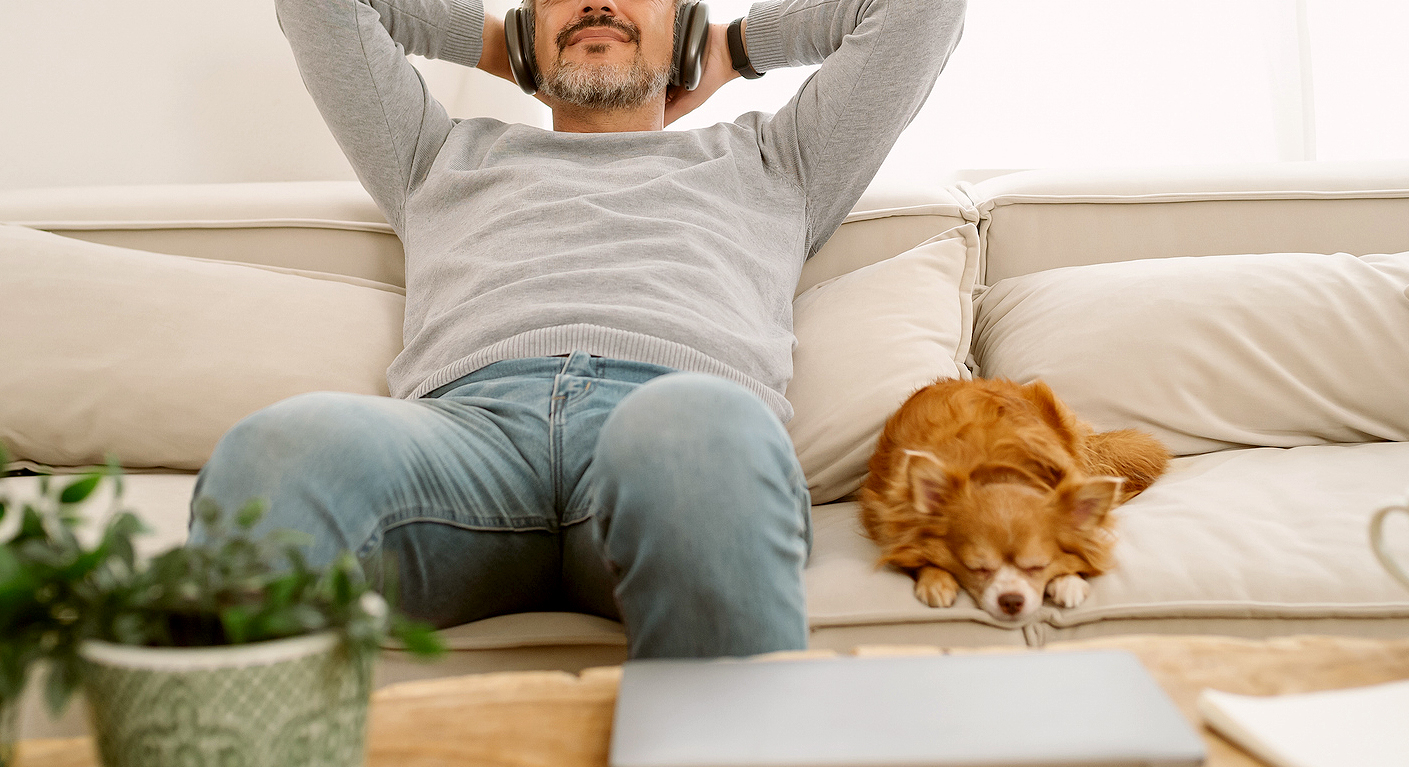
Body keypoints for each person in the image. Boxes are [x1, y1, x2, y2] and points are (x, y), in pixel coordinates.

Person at [188, 0, 966, 658]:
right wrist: (499, 45)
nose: (595, 1)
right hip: (465, 442)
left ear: (682, 26)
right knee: (275, 448)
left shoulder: (778, 162)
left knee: (694, 425)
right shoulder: (433, 155)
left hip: (676, 432)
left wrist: (731, 50)